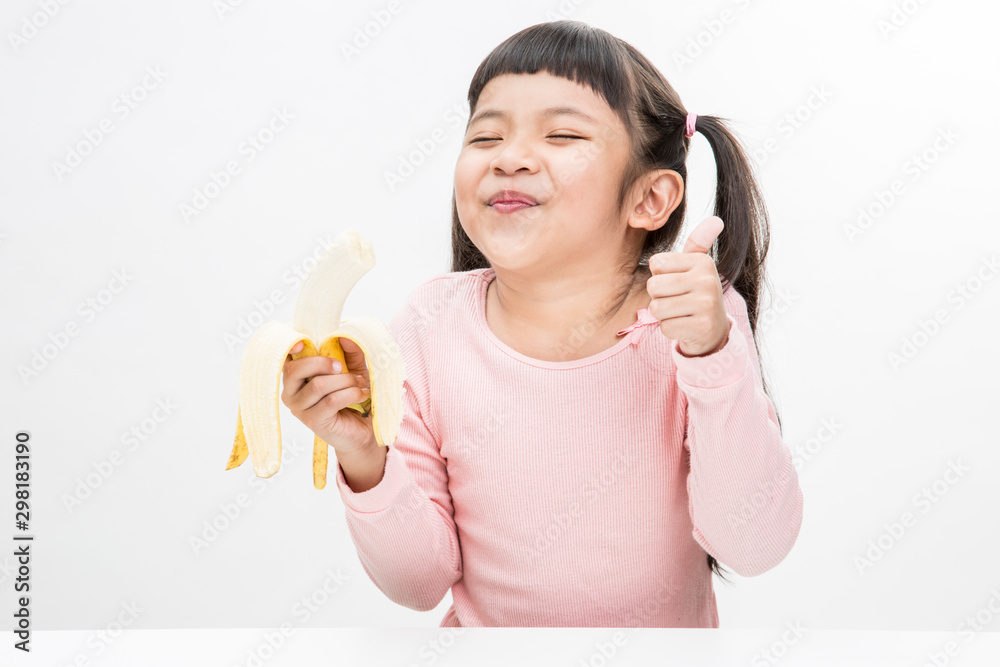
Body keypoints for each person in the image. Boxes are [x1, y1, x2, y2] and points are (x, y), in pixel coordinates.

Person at [281, 19, 803, 628]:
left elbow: (755, 545)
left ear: (650, 198)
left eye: (560, 134)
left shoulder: (694, 323)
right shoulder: (429, 324)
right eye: (486, 136)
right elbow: (419, 584)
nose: (511, 158)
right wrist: (362, 451)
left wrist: (712, 354)